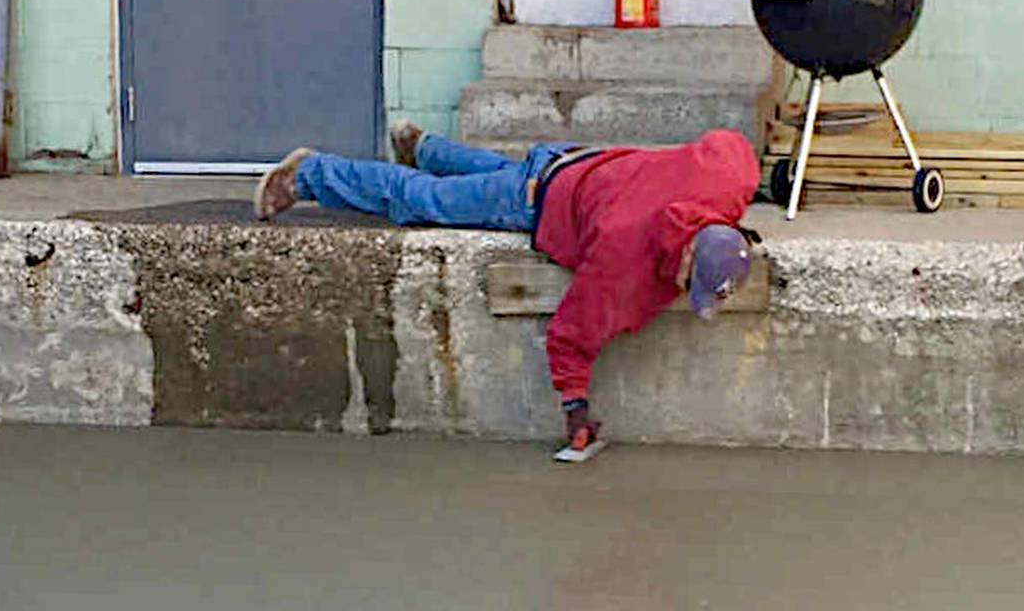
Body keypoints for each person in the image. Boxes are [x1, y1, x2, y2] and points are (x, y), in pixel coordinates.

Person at [254, 121, 762, 456]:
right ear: (688, 253)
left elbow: (729, 142)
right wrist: (575, 407)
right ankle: (310, 174)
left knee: (497, 172)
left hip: (575, 162)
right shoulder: (622, 258)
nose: (679, 290)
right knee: (420, 198)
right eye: (685, 282)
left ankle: (425, 147)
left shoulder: (727, 179)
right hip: (534, 199)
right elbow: (572, 332)